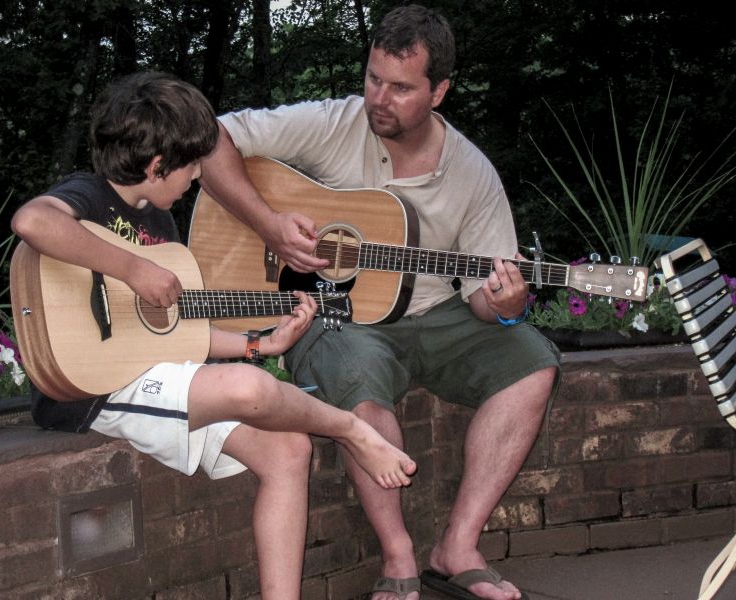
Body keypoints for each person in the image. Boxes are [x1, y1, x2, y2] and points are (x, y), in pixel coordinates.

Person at [196, 5, 561, 600]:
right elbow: (208, 135)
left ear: (440, 91)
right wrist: (267, 225)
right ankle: (398, 556)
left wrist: (507, 302)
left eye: (400, 87)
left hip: (436, 313)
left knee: (533, 362)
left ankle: (458, 546)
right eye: (373, 79)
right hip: (335, 315)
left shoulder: (472, 173)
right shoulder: (334, 123)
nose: (378, 99)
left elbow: (482, 302)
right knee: (359, 381)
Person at [10, 71, 417, 600]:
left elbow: (172, 331)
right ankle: (354, 431)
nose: (201, 173)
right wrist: (132, 269)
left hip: (152, 373)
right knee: (250, 390)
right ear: (158, 167)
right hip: (95, 387)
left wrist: (258, 344)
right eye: (194, 164)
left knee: (289, 449)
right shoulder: (88, 195)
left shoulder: (161, 225)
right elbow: (31, 221)